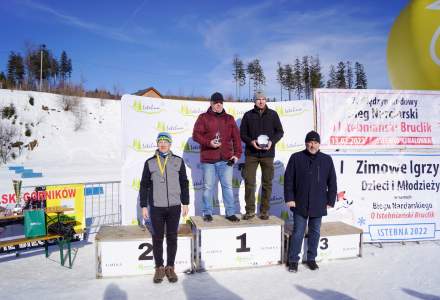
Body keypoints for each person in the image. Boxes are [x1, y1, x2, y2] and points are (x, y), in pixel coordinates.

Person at [140, 132, 189, 283]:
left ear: (170, 144)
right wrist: (143, 206)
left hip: (174, 206)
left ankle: (170, 267)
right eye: (160, 141)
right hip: (157, 207)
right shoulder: (150, 162)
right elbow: (144, 185)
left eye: (165, 141)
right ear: (157, 144)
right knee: (158, 238)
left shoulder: (178, 161)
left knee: (172, 237)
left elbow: (184, 183)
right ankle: (159, 267)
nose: (162, 144)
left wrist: (185, 202)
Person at [284, 131, 337, 273]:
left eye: (315, 142)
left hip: (318, 202)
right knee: (298, 232)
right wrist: (289, 198)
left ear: (319, 144)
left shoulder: (327, 160)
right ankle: (293, 260)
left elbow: (332, 181)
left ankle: (311, 259)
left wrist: (330, 200)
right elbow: (288, 180)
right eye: (310, 142)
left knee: (315, 232)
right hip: (300, 202)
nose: (312, 145)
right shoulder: (296, 158)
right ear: (306, 143)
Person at [192, 92, 242, 222]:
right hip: (209, 160)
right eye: (216, 103)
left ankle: (230, 213)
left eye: (220, 102)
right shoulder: (203, 117)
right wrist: (209, 143)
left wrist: (237, 155)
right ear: (211, 103)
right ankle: (207, 212)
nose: (218, 105)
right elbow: (196, 135)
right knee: (208, 187)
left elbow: (237, 138)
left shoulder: (229, 119)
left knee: (227, 187)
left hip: (226, 160)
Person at [240, 91, 284, 220]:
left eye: (263, 99)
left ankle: (264, 211)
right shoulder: (248, 115)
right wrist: (251, 142)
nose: (261, 101)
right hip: (251, 154)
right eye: (258, 99)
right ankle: (249, 211)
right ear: (254, 101)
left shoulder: (273, 115)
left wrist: (272, 141)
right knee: (249, 182)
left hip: (268, 154)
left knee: (267, 183)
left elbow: (280, 132)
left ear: (266, 100)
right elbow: (243, 134)